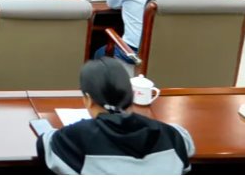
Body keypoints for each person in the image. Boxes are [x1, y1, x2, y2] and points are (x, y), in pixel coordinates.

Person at [36, 57, 194, 174]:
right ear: (130, 95)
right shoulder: (172, 136)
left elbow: (46, 143)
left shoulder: (76, 137)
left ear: (88, 99)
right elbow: (185, 141)